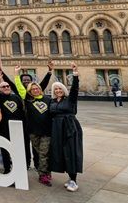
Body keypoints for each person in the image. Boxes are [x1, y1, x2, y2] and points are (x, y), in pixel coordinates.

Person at [49, 64, 83, 192]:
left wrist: (75, 74)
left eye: (60, 88)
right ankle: (70, 178)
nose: (58, 90)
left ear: (64, 90)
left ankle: (74, 181)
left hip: (70, 127)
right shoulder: (52, 102)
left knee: (71, 152)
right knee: (62, 153)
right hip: (57, 129)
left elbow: (75, 89)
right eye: (56, 89)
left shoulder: (70, 99)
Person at [18, 65, 53, 186]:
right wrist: (16, 75)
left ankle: (43, 175)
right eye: (33, 89)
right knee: (40, 153)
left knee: (44, 153)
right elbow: (19, 88)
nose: (35, 90)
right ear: (29, 91)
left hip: (46, 132)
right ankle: (46, 172)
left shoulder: (48, 99)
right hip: (33, 132)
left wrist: (49, 72)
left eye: (37, 88)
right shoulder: (28, 100)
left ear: (40, 89)